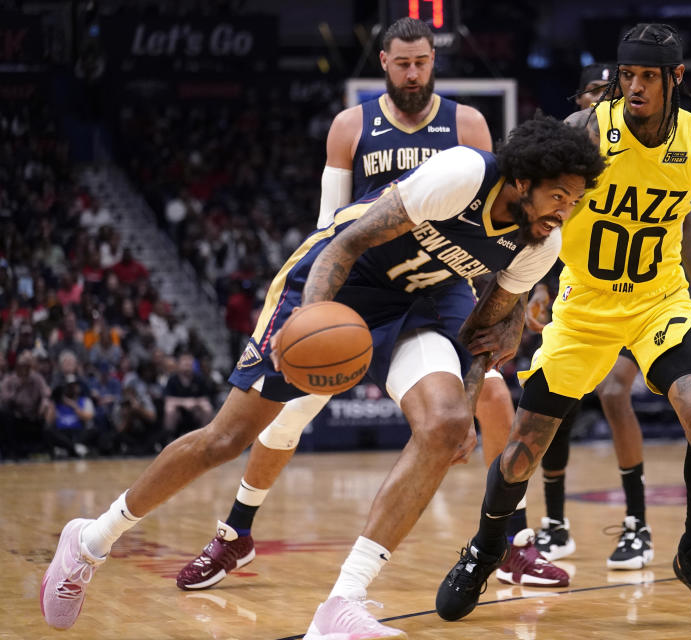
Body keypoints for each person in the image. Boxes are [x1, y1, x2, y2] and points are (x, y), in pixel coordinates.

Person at [40, 114, 606, 637]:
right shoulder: (463, 173)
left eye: (577, 200)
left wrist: (466, 393)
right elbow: (348, 241)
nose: (567, 209)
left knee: (443, 425)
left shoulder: (541, 241)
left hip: (426, 302)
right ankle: (91, 540)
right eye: (560, 195)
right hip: (341, 283)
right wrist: (312, 318)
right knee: (226, 439)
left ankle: (341, 603)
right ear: (522, 180)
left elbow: (487, 332)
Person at [435, 22, 691, 627]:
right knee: (522, 451)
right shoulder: (586, 131)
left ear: (674, 80)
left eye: (647, 78)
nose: (633, 87)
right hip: (582, 310)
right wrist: (511, 296)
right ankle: (485, 549)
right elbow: (523, 201)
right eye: (626, 75)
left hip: (659, 304)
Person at [174, 17, 563, 593]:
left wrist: (503, 307)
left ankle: (511, 541)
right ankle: (236, 533)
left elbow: (494, 221)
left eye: (423, 62)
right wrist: (320, 308)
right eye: (403, 63)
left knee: (493, 392)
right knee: (289, 410)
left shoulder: (469, 124)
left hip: (438, 284)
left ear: (435, 60)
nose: (413, 72)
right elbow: (332, 225)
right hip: (365, 276)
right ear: (384, 62)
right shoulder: (351, 125)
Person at [529, 61, 691, 570]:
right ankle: (554, 522)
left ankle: (637, 523)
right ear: (580, 102)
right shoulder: (573, 156)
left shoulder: (655, 158)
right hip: (584, 298)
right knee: (558, 405)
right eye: (593, 93)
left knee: (615, 393)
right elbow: (539, 230)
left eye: (606, 92)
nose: (602, 101)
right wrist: (531, 290)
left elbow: (688, 238)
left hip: (646, 301)